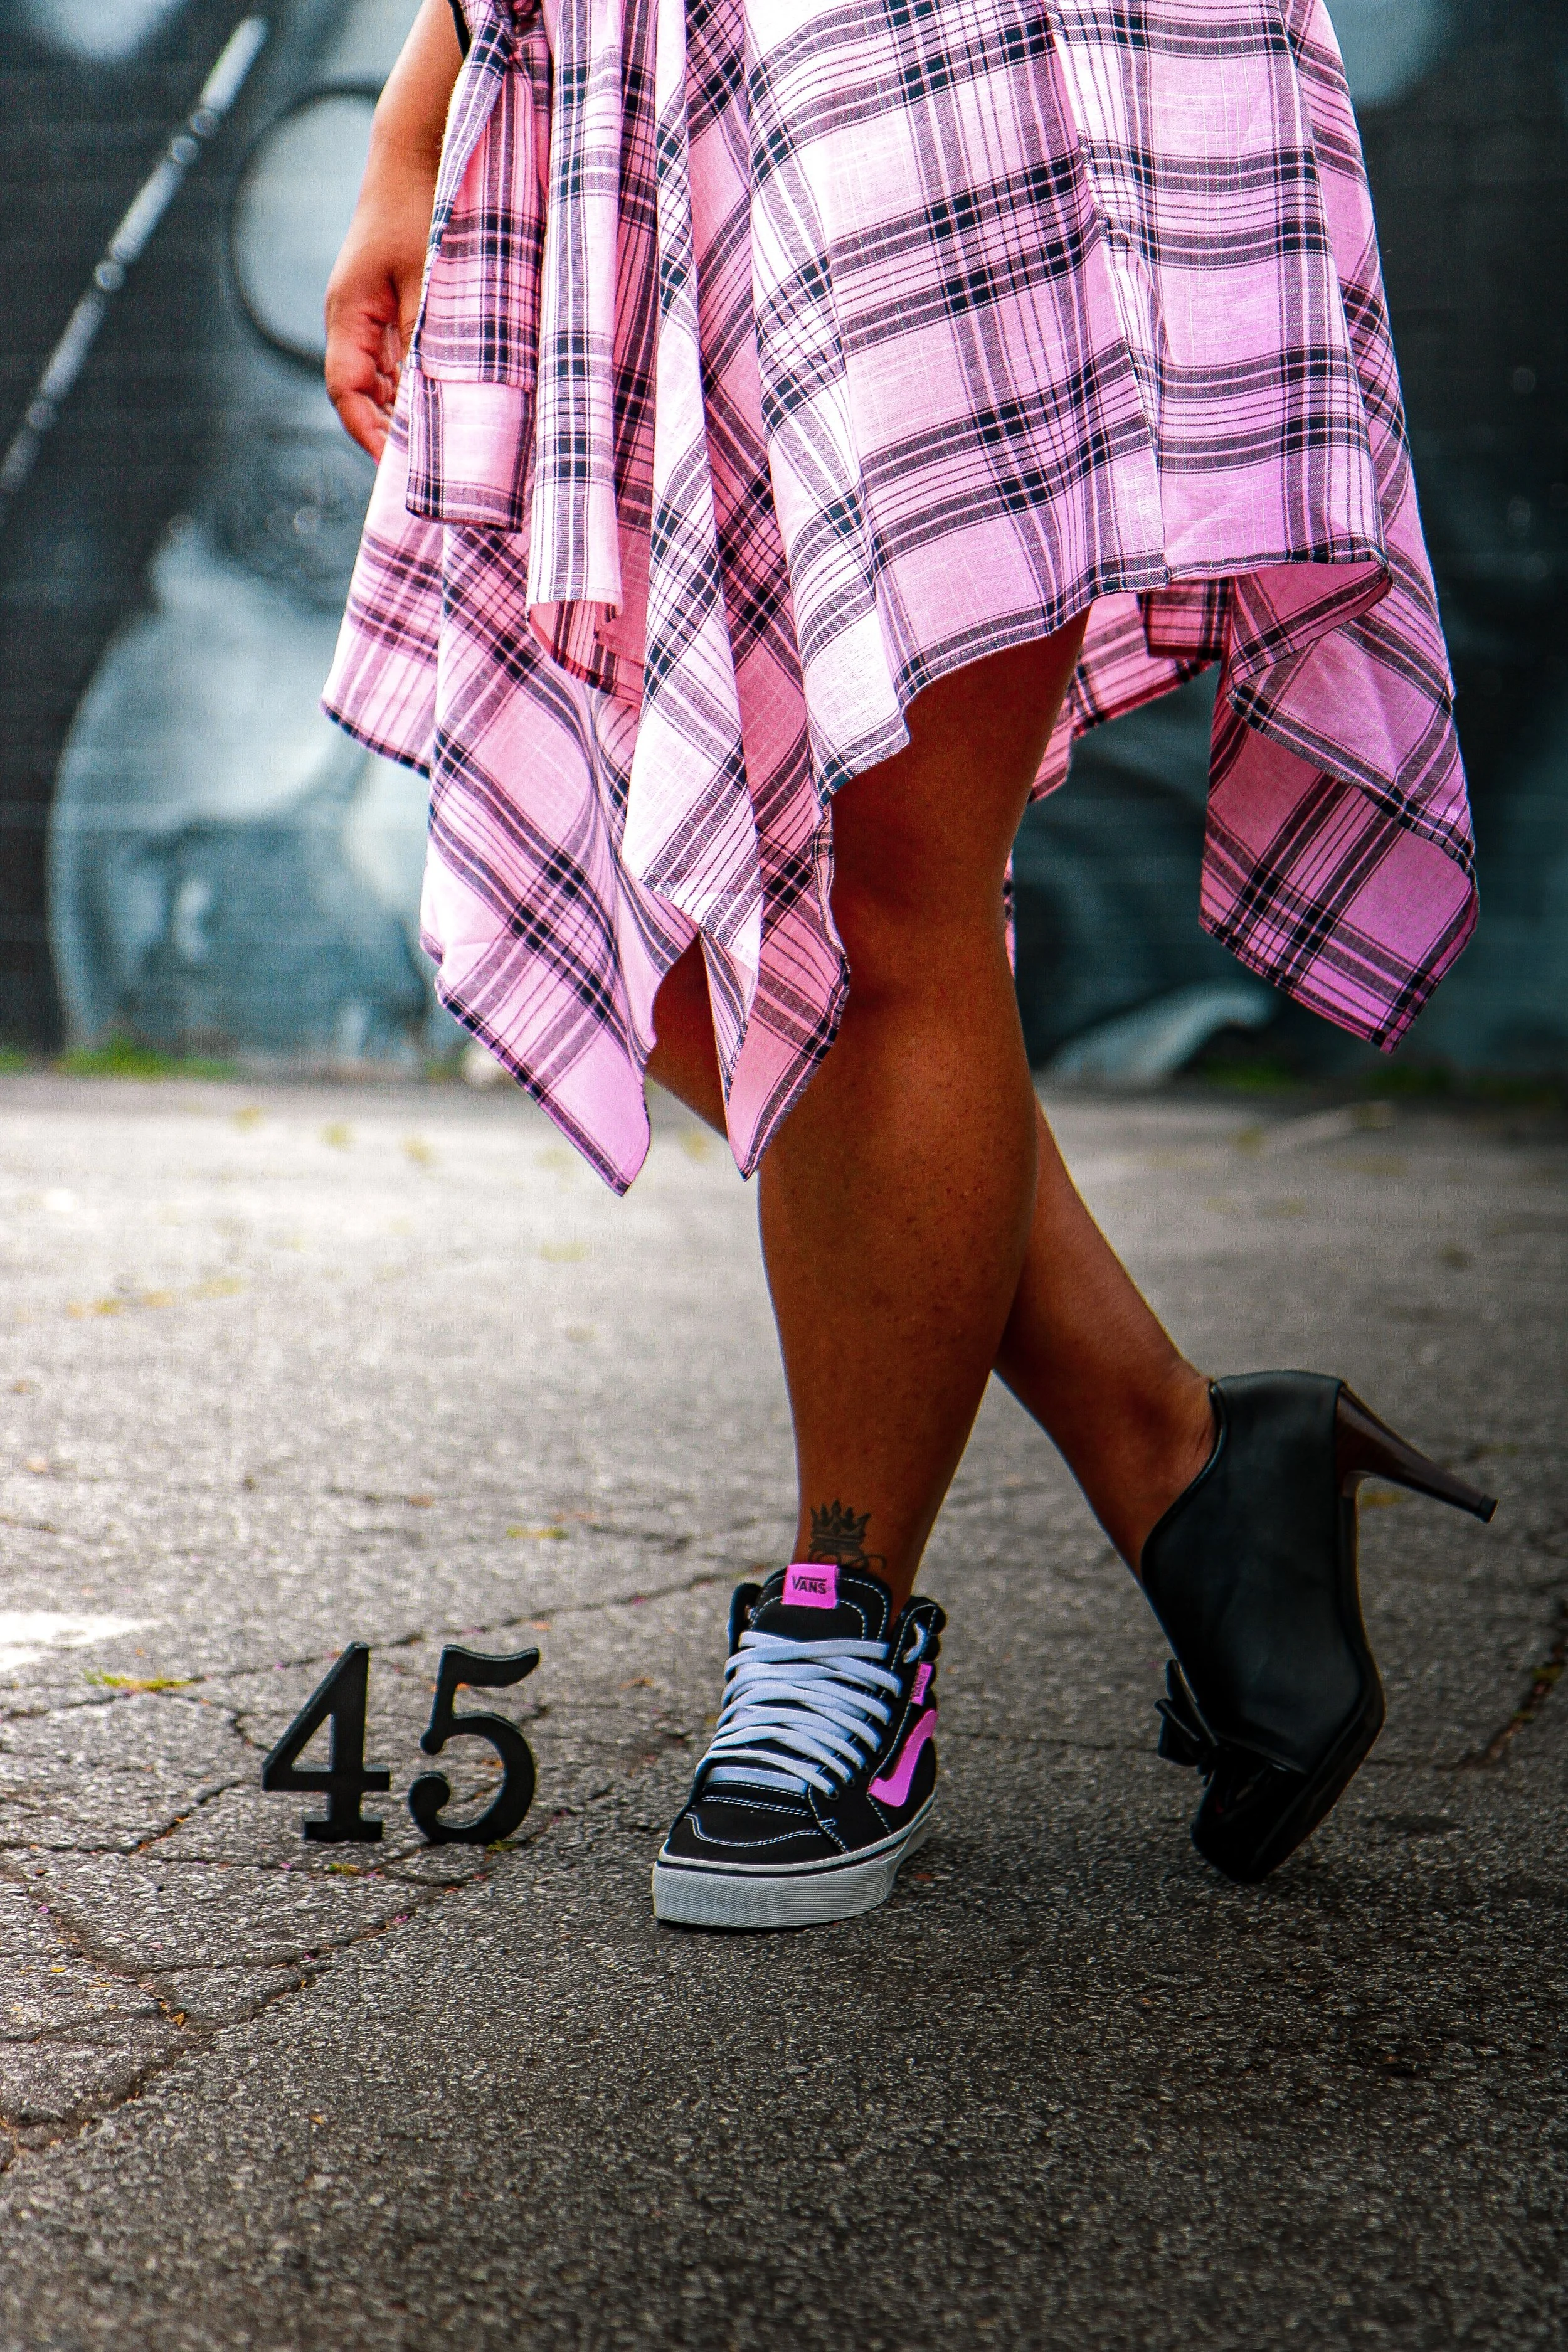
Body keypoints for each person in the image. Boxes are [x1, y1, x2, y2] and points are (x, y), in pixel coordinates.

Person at [322, 0, 1495, 1930]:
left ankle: (840, 1625)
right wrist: (425, 96)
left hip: (968, 43)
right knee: (694, 885)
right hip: (655, 53)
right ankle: (1181, 1453)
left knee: (877, 883)